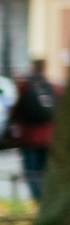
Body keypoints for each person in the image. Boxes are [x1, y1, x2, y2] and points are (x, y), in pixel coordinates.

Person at [5, 60, 54, 207]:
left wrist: (10, 129)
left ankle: (39, 203)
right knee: (43, 172)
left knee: (31, 173)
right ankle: (46, 202)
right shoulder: (51, 87)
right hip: (48, 137)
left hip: (30, 138)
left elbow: (16, 111)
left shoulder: (26, 87)